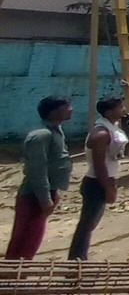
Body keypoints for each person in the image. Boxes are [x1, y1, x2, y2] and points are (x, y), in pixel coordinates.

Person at [5, 95, 73, 260]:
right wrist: (45, 199)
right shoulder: (41, 135)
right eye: (67, 106)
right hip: (33, 196)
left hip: (46, 192)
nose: (71, 109)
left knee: (32, 240)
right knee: (25, 240)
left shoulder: (55, 131)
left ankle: (18, 277)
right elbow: (37, 170)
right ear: (54, 111)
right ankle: (12, 278)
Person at [68, 96, 128, 260]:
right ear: (109, 112)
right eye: (120, 107)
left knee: (90, 224)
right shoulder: (101, 134)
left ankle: (79, 259)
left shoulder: (111, 127)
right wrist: (108, 188)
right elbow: (99, 164)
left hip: (104, 180)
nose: (124, 109)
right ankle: (76, 262)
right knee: (86, 225)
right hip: (97, 182)